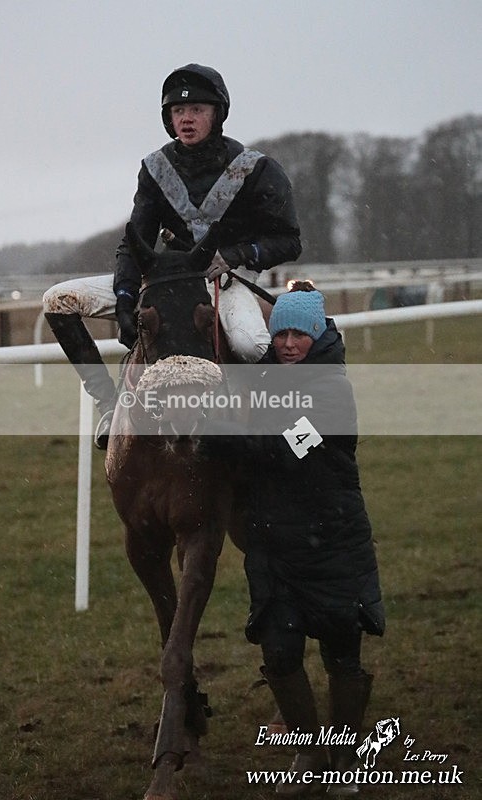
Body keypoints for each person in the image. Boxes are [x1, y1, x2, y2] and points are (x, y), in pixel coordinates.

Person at [43, 63, 301, 449]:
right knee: (57, 301)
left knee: (250, 344)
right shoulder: (154, 169)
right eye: (178, 111)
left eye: (197, 109)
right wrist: (127, 297)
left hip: (221, 282)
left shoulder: (256, 169)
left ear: (218, 114)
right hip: (162, 284)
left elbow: (288, 241)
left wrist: (234, 254)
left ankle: (266, 427)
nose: (186, 118)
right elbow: (134, 243)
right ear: (168, 118)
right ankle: (110, 406)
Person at [202, 282, 385, 796]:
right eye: (279, 332)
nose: (286, 343)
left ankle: (345, 764)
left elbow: (284, 449)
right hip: (273, 547)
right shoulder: (264, 381)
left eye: (297, 334)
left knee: (341, 656)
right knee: (280, 654)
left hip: (333, 542)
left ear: (316, 335)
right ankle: (309, 757)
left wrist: (214, 431)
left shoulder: (332, 390)